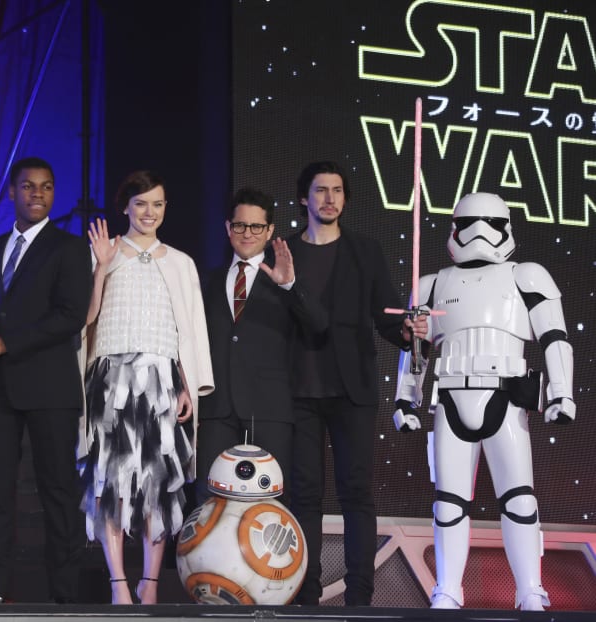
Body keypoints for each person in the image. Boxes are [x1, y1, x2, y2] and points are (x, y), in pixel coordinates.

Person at [393, 192, 575, 612]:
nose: (479, 232)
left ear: (505, 226)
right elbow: (416, 351)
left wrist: (561, 392)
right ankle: (448, 589)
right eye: (469, 222)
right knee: (449, 502)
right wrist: (406, 399)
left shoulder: (526, 275)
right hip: (451, 397)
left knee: (519, 499)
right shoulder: (432, 283)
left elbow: (554, 337)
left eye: (488, 222)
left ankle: (530, 588)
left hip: (505, 397)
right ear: (455, 227)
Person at [287, 160, 427, 606]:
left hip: (354, 391)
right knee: (304, 496)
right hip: (298, 393)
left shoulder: (365, 251)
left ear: (345, 199)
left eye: (337, 190)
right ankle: (306, 596)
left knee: (356, 493)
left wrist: (408, 330)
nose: (329, 198)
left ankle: (360, 597)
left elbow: (387, 316)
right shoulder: (284, 251)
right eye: (320, 190)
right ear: (303, 198)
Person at [0, 156, 92, 604]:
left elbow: (70, 317)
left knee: (58, 491)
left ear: (54, 194)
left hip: (49, 389)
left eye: (46, 187)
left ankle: (65, 599)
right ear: (13, 192)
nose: (37, 194)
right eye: (29, 186)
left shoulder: (68, 248)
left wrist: (5, 344)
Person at [80, 170, 213, 605]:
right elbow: (84, 321)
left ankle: (151, 582)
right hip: (110, 380)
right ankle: (119, 580)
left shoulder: (180, 262)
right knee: (111, 483)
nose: (149, 212)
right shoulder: (106, 253)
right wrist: (100, 268)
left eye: (157, 204)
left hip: (161, 381)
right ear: (125, 207)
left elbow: (190, 330)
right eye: (140, 204)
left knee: (159, 484)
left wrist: (188, 386)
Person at [195, 187, 327, 506]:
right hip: (216, 408)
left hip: (269, 409)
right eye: (240, 225)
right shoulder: (207, 280)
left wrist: (289, 286)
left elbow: (319, 326)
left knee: (270, 503)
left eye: (256, 226)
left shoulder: (285, 278)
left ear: (269, 231)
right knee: (208, 501)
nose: (247, 233)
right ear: (228, 228)